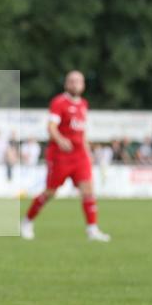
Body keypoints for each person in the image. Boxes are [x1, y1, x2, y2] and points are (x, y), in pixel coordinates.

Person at [21, 71, 111, 242]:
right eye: (72, 81)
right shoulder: (59, 102)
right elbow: (51, 127)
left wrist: (88, 152)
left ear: (83, 85)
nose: (76, 84)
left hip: (80, 156)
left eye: (79, 81)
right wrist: (61, 140)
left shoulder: (84, 104)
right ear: (66, 84)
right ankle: (27, 221)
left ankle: (92, 230)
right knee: (50, 192)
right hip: (60, 156)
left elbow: (83, 133)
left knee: (89, 190)